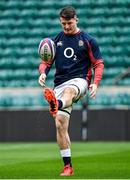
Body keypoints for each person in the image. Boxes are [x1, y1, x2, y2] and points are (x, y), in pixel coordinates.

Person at [38, 6, 104, 176]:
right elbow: (46, 61)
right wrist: (43, 74)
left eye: (69, 23)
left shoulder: (88, 40)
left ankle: (56, 103)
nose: (66, 27)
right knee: (60, 124)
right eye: (63, 24)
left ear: (76, 19)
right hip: (58, 84)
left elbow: (98, 63)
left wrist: (95, 83)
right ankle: (68, 166)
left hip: (79, 80)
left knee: (69, 91)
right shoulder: (56, 40)